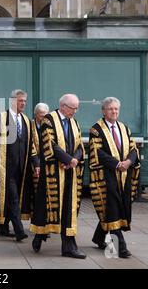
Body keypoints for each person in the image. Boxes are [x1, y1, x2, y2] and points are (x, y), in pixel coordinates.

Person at [30, 94, 86, 259]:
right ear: (63, 106)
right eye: (72, 108)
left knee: (69, 209)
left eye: (77, 108)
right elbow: (49, 144)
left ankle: (69, 247)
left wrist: (73, 160)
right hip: (52, 174)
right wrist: (68, 159)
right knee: (47, 208)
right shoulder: (48, 120)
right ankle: (39, 235)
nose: (74, 112)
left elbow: (79, 145)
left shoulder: (74, 122)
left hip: (69, 172)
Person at [0, 89, 39, 242]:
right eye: (21, 100)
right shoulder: (1, 118)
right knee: (13, 198)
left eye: (25, 101)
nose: (23, 103)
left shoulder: (27, 120)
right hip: (5, 167)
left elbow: (32, 145)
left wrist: (36, 164)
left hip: (23, 167)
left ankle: (3, 227)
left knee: (13, 198)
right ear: (13, 101)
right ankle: (19, 230)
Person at [89, 97, 140, 258]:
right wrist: (117, 164)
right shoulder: (96, 129)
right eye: (111, 109)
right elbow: (98, 153)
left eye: (116, 109)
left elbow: (133, 148)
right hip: (106, 176)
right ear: (104, 111)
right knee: (111, 208)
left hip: (124, 175)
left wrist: (129, 161)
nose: (114, 112)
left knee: (115, 207)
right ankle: (121, 247)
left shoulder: (124, 128)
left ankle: (98, 237)